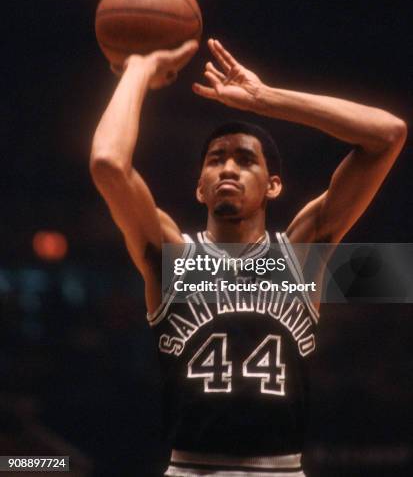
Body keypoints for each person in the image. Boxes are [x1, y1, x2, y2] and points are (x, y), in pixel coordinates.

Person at [90, 38, 406, 477]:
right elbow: (108, 162)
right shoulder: (171, 256)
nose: (229, 168)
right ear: (200, 186)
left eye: (245, 159)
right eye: (217, 159)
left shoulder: (300, 254)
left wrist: (266, 99)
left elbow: (388, 135)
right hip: (188, 468)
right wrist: (140, 68)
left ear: (273, 185)